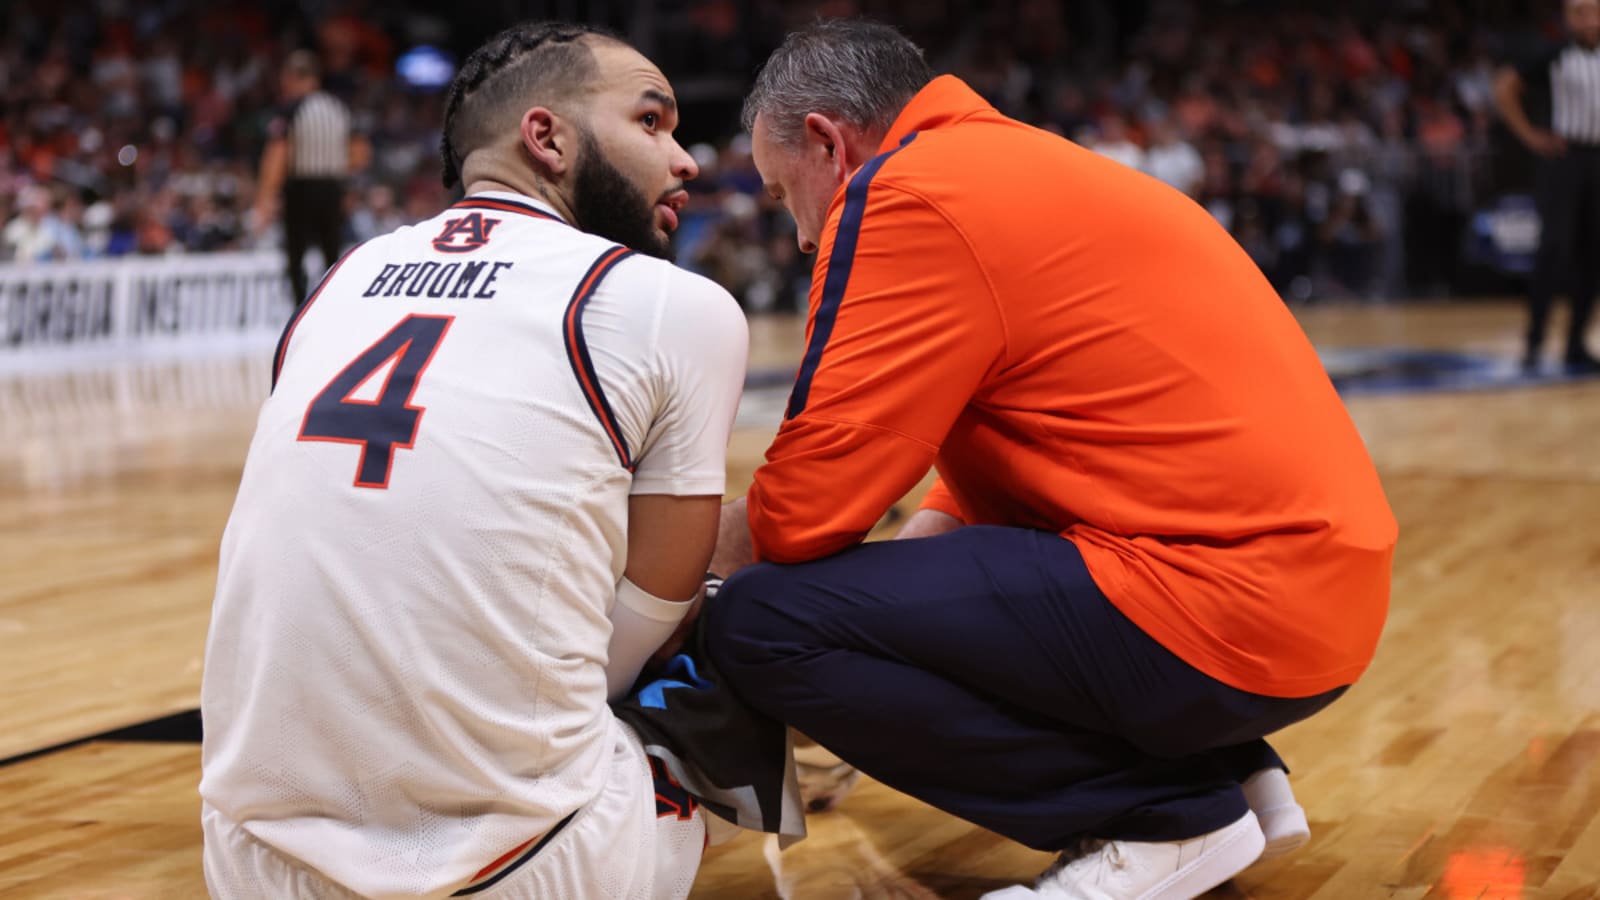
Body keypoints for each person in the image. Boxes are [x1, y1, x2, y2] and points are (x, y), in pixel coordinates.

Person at [705, 18, 1396, 900]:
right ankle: (1229, 769)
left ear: (827, 144)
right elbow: (1023, 444)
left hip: (1223, 610)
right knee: (876, 593)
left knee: (760, 621)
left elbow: (805, 510)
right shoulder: (1022, 162)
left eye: (781, 193)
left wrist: (661, 569)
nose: (801, 235)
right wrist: (891, 618)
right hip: (1320, 598)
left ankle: (1164, 816)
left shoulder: (902, 194)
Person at [201, 22, 748, 900]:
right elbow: (654, 611)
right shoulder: (674, 303)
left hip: (249, 863)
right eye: (651, 122)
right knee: (745, 573)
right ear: (547, 138)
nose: (684, 159)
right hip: (529, 864)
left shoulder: (342, 278)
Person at [1495, 0, 1600, 373]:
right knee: (1553, 247)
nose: (1588, 20)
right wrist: (1530, 135)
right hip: (1564, 160)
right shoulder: (1553, 55)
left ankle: (1576, 344)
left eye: (1593, 11)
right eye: (1579, 12)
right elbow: (1504, 87)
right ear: (1567, 17)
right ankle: (1534, 342)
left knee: (1594, 255)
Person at [253, 50, 369, 307]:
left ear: (293, 78)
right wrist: (341, 173)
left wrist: (265, 200)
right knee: (331, 254)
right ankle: (332, 309)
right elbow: (361, 154)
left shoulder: (291, 109)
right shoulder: (339, 108)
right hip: (333, 188)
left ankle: (299, 311)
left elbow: (277, 156)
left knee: (296, 256)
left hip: (301, 188)